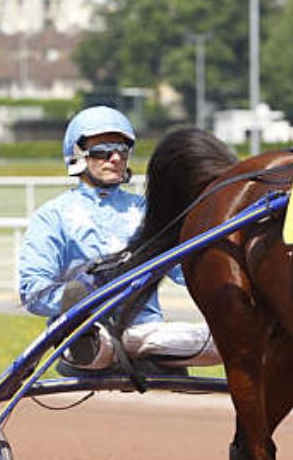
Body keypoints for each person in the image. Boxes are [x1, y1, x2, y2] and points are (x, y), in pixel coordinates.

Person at [18, 106, 217, 376]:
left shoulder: (150, 212)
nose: (114, 158)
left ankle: (138, 353)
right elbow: (33, 292)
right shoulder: (52, 217)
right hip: (87, 330)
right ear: (78, 156)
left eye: (121, 151)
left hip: (146, 334)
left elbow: (187, 271)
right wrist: (80, 295)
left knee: (229, 340)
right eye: (103, 152)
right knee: (98, 342)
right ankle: (88, 343)